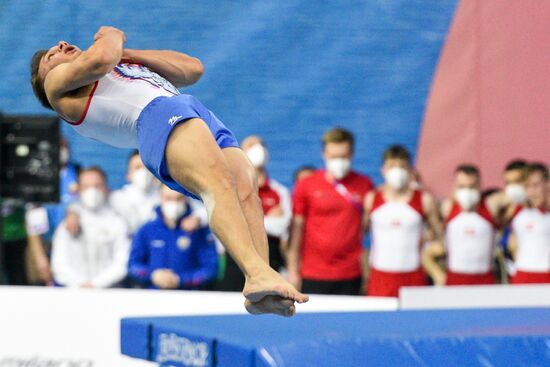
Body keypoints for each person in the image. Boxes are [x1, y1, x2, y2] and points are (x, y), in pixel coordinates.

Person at [30, 26, 306, 315]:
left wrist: (128, 55)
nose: (61, 44)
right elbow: (101, 58)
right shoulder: (56, 87)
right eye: (51, 54)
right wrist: (111, 35)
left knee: (246, 188)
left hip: (186, 107)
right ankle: (255, 273)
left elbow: (192, 70)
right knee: (218, 183)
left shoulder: (115, 63)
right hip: (154, 117)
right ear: (44, 78)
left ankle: (260, 282)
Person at [287, 128, 374, 295]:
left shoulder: (365, 184)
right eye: (334, 156)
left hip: (351, 273)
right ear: (324, 154)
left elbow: (370, 228)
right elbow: (297, 230)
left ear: (352, 154)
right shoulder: (307, 185)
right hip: (313, 273)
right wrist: (293, 270)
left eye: (344, 156)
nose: (339, 161)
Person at [363, 145, 442, 297]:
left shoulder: (424, 200)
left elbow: (440, 235)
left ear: (411, 170)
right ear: (383, 170)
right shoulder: (372, 199)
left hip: (413, 275)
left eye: (402, 166)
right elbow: (358, 237)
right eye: (392, 166)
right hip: (380, 276)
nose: (397, 171)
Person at [217, 136, 292, 291]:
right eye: (251, 145)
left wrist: (244, 218)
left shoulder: (280, 192)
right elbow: (226, 223)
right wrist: (267, 218)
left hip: (271, 262)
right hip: (235, 264)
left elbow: (281, 227)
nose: (257, 149)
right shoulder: (230, 189)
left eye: (260, 145)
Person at [51, 167, 130, 288]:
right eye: (86, 186)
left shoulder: (118, 223)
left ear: (106, 188)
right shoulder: (68, 223)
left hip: (109, 293)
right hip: (73, 292)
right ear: (79, 190)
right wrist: (80, 284)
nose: (92, 191)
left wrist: (95, 284)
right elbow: (59, 263)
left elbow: (122, 263)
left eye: (97, 186)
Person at [129, 185, 218, 290]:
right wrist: (153, 275)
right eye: (168, 198)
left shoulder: (199, 231)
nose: (173, 203)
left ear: (186, 199)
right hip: (152, 297)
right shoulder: (147, 230)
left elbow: (211, 269)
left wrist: (180, 279)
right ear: (160, 198)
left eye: (179, 199)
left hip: (188, 298)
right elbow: (133, 266)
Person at [423, 165, 499, 286]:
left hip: (485, 279)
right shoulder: (446, 208)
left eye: (472, 187)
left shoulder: (491, 206)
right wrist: (437, 274)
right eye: (462, 187)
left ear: (480, 186)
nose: (467, 191)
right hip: (455, 279)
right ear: (455, 187)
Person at [25, 137, 81, 285]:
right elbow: (33, 214)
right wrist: (39, 256)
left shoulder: (77, 171)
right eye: (58, 146)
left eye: (65, 146)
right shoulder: (37, 177)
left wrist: (75, 211)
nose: (62, 150)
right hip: (46, 244)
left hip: (73, 245)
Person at [508, 163, 550, 284]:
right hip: (522, 275)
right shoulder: (516, 210)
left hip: (546, 275)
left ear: (547, 184)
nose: (532, 192)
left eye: (536, 185)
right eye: (527, 187)